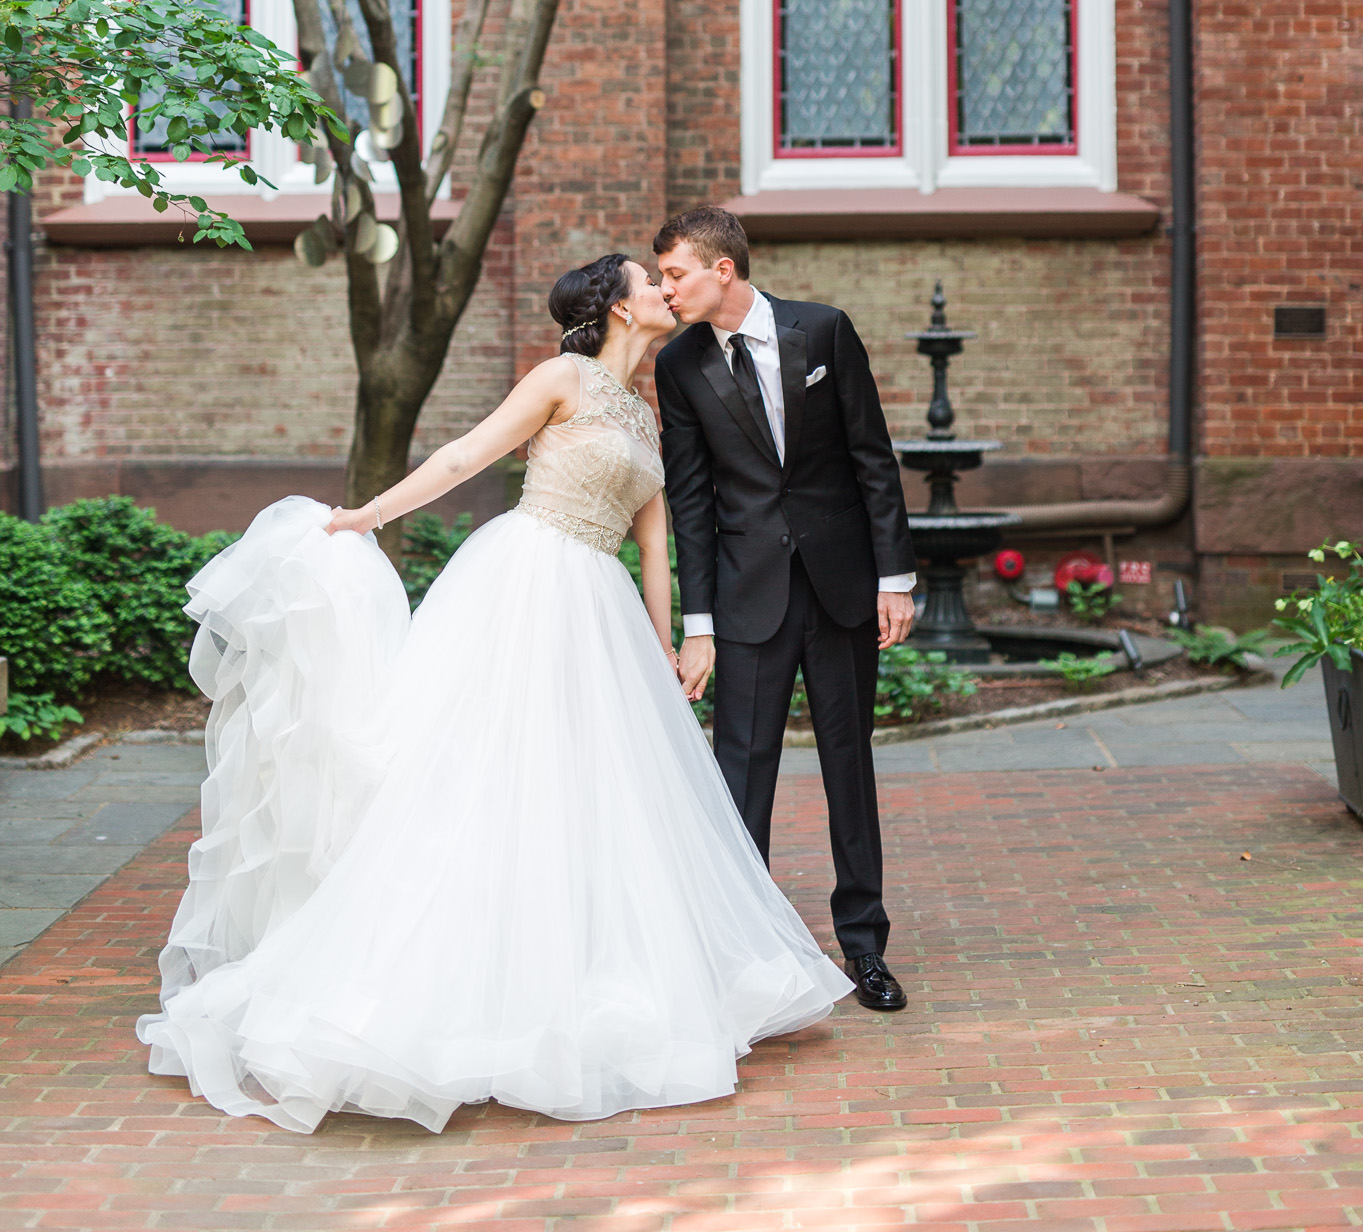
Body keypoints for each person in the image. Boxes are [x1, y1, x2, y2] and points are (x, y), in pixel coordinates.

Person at [136, 254, 851, 1134]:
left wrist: (672, 643)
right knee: (486, 776)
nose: (666, 290)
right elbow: (466, 453)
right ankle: (438, 987)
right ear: (616, 308)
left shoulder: (644, 406)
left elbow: (655, 538)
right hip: (525, 582)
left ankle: (573, 972)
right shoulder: (561, 377)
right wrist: (371, 514)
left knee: (592, 793)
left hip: (601, 605)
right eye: (647, 280)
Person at [652, 205, 916, 1013]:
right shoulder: (679, 365)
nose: (665, 290)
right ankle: (744, 955)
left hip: (840, 590)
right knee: (742, 775)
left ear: (721, 269)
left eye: (674, 274)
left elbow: (872, 459)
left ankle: (864, 947)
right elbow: (690, 502)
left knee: (849, 765)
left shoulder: (824, 332)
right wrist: (697, 625)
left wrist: (893, 578)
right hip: (744, 597)